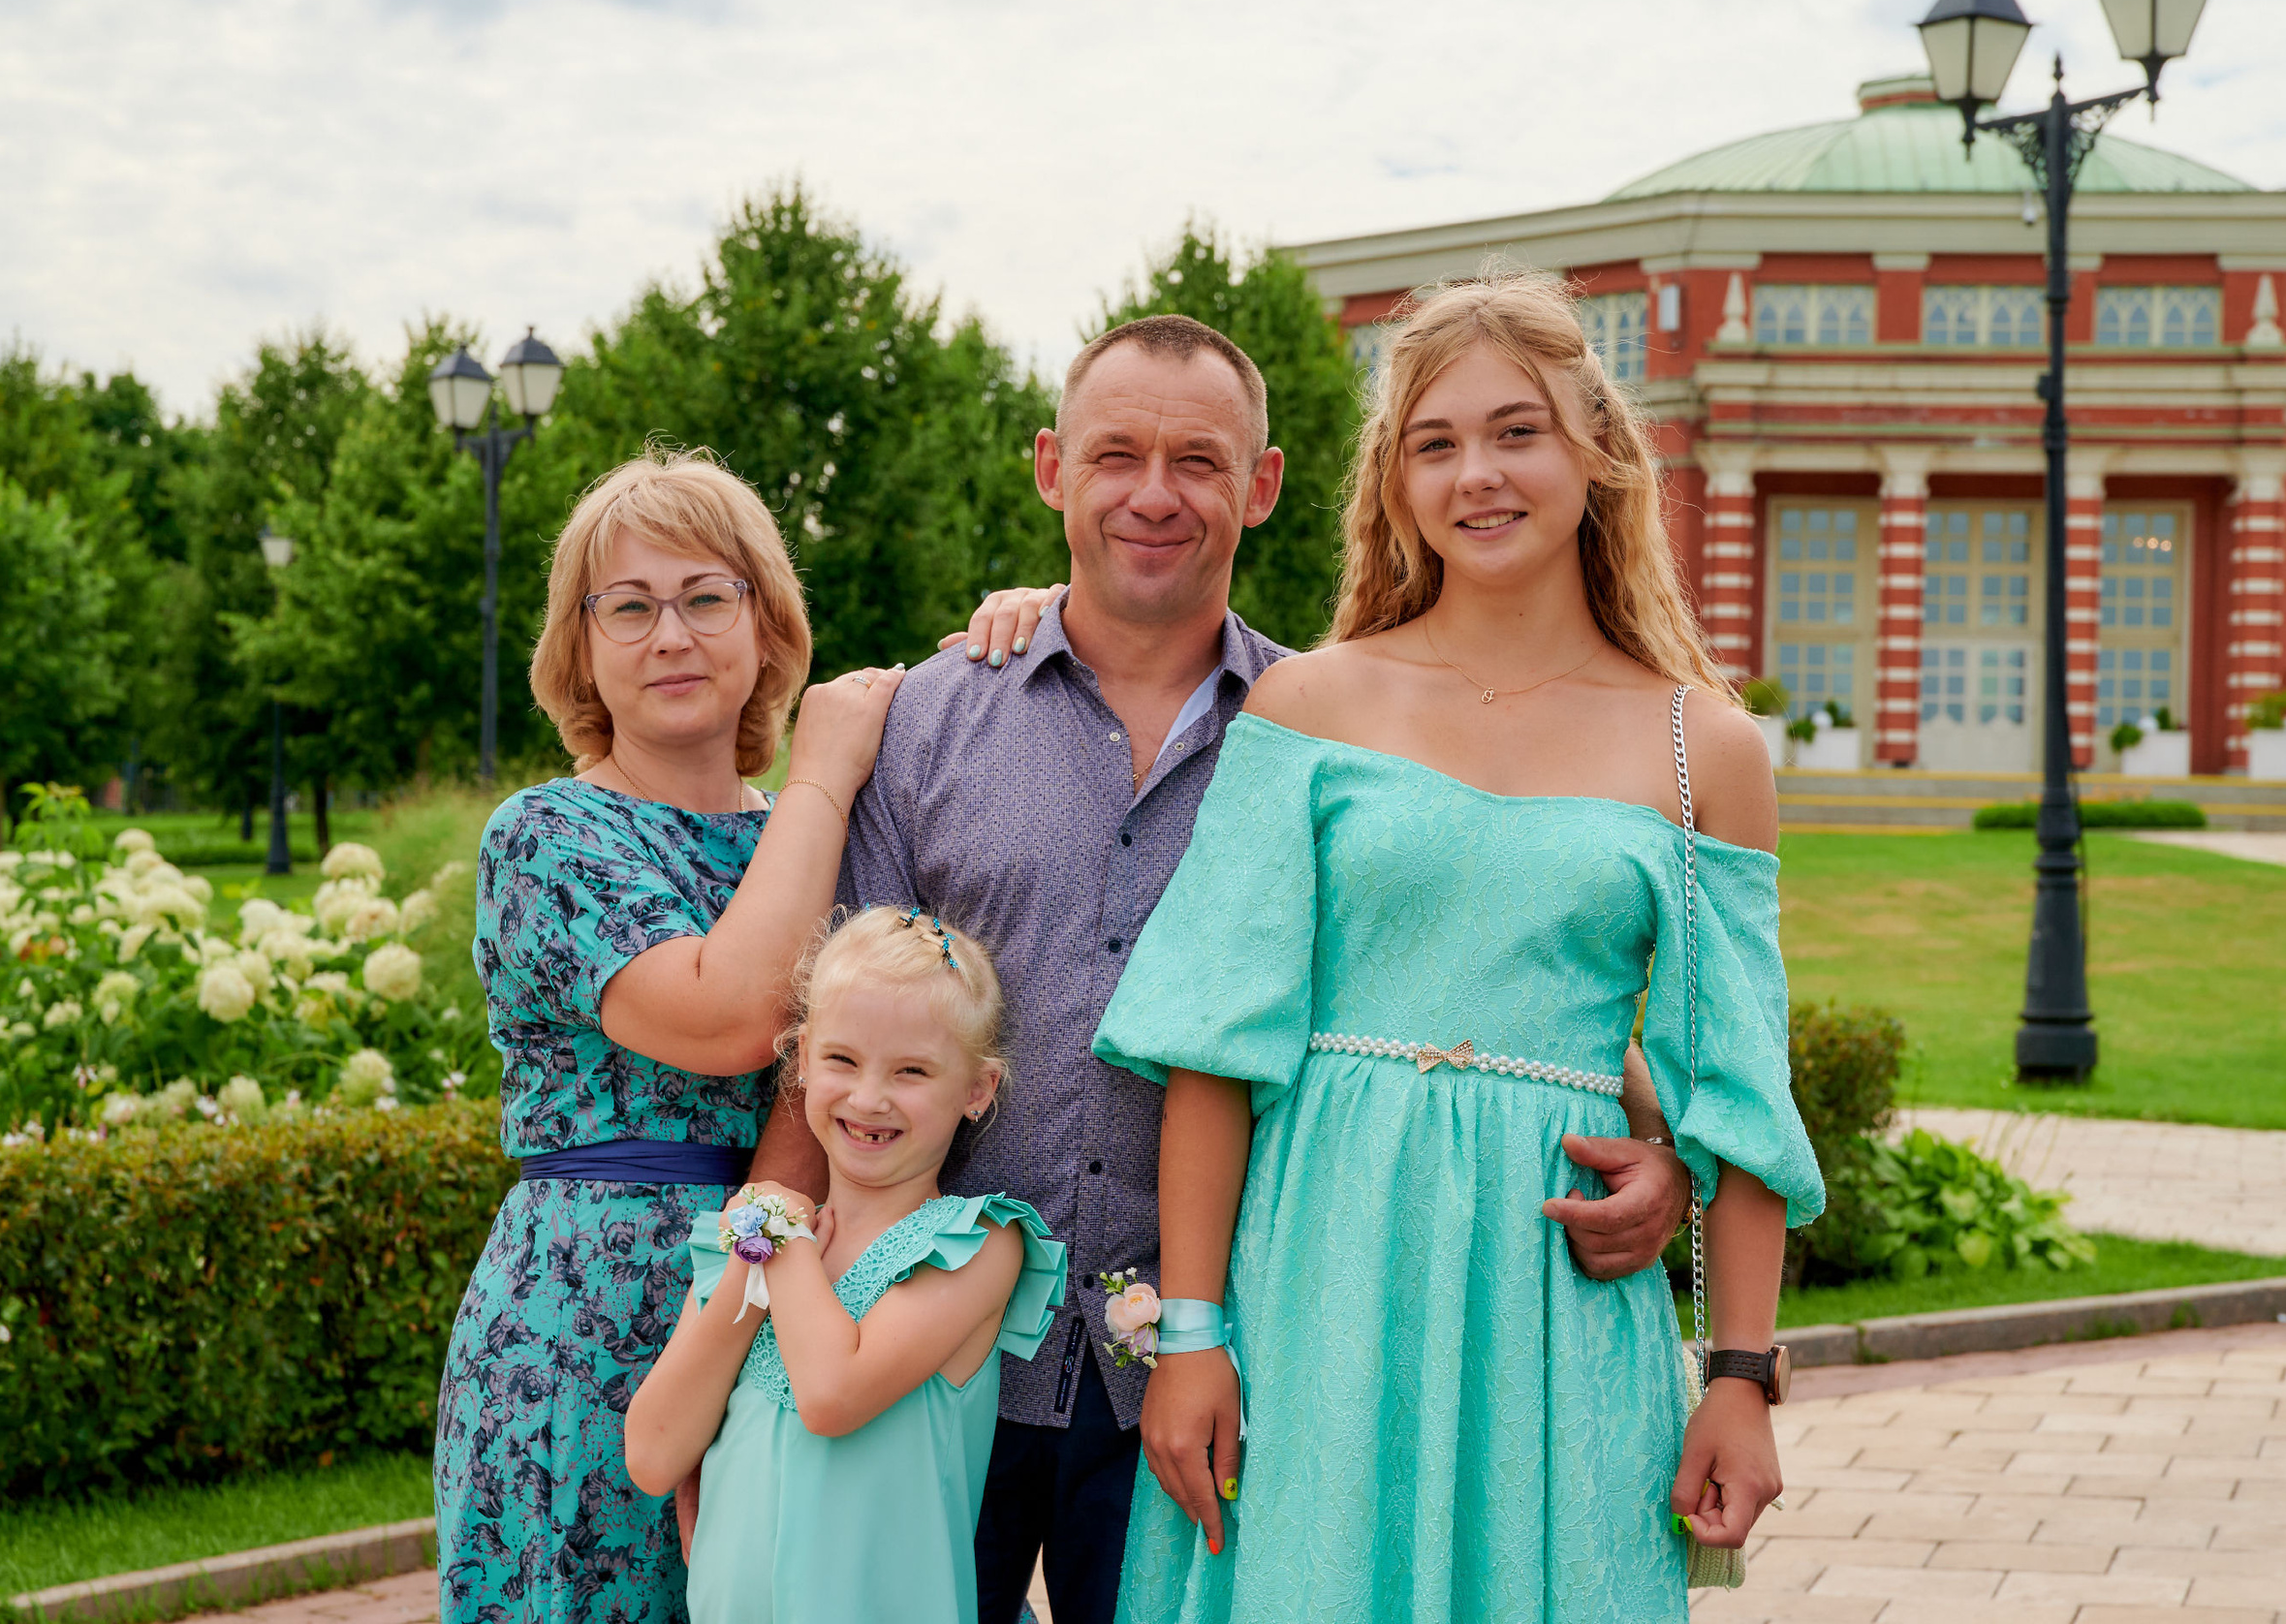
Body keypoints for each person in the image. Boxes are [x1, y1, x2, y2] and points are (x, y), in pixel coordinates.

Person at [837, 314, 1697, 1624]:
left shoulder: (1342, 729)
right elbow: (827, 1031)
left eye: (1198, 458)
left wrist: (1657, 1144)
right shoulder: (933, 717)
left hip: (1226, 1356)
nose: (1154, 493)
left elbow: (1486, 958)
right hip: (929, 1349)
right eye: (1115, 453)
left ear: (1264, 486)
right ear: (1051, 467)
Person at [1094, 270, 1828, 1623]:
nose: (1476, 474)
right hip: (1319, 1266)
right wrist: (1192, 1333)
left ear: (1596, 453)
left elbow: (1738, 1093)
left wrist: (1740, 1371)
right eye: (1435, 444)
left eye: (1516, 431)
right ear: (1396, 482)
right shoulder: (1313, 704)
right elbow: (1214, 1047)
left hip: (1554, 1306)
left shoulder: (1701, 747)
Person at [433, 451, 1049, 1624]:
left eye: (707, 597)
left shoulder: (815, 825)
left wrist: (1023, 621)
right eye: (629, 604)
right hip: (599, 1313)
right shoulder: (547, 836)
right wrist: (821, 772)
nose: (671, 633)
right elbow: (731, 1018)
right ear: (583, 646)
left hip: (831, 1284)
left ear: (767, 627)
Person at [623, 908, 1066, 1623]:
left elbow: (831, 1394)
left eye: (912, 1070)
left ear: (977, 1090)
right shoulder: (744, 1244)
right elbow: (652, 1452)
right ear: (800, 1057)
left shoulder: (977, 1242)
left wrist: (782, 1236)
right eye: (842, 1059)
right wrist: (749, 1264)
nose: (868, 1097)